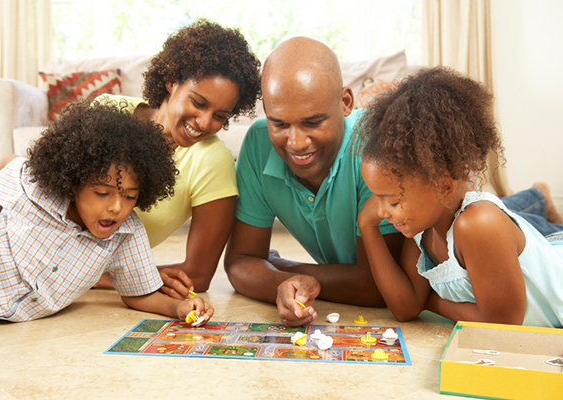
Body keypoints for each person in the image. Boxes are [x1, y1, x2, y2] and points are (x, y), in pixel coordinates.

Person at [0, 102, 213, 324]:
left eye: (129, 196)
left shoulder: (126, 234)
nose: (116, 207)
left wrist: (178, 307)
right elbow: (8, 163)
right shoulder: (39, 189)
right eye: (102, 194)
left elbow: (139, 293)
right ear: (74, 183)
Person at [356, 67, 563, 328]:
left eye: (393, 201)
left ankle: (541, 200)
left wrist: (429, 300)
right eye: (377, 198)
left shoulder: (479, 225)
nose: (382, 211)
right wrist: (366, 227)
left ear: (443, 188)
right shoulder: (422, 229)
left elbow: (503, 326)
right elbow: (405, 307)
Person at [223, 36, 403, 327]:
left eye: (313, 122)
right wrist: (282, 284)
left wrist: (281, 266)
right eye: (279, 123)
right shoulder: (258, 143)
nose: (295, 143)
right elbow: (240, 263)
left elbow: (377, 286)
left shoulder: (375, 147)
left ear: (346, 102)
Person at [84, 19, 261, 298]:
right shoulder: (108, 110)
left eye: (220, 116)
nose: (204, 123)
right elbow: (27, 185)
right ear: (171, 81)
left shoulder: (212, 160)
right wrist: (138, 275)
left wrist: (101, 276)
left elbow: (199, 275)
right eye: (199, 103)